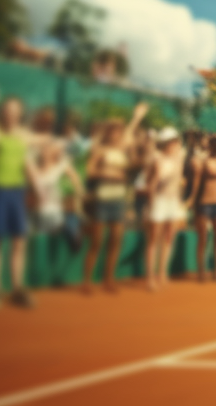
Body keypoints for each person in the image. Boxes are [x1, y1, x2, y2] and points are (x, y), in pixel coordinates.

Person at [0, 85, 38, 310]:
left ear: (20, 113)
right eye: (7, 110)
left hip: (18, 192)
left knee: (19, 242)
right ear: (2, 112)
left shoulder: (24, 135)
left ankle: (17, 289)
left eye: (15, 110)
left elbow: (39, 146)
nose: (11, 113)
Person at [81, 104, 145, 294]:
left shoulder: (124, 149)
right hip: (102, 198)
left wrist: (137, 117)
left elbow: (130, 133)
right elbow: (90, 171)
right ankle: (87, 281)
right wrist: (111, 174)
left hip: (119, 199)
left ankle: (109, 280)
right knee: (97, 241)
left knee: (116, 240)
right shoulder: (99, 150)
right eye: (113, 131)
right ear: (108, 133)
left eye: (119, 131)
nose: (117, 134)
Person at [144, 128, 187, 290]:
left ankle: (162, 273)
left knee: (169, 237)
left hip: (173, 202)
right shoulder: (157, 159)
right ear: (165, 144)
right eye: (172, 142)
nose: (175, 144)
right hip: (159, 201)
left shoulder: (179, 158)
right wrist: (151, 203)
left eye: (176, 142)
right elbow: (151, 184)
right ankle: (150, 277)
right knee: (154, 239)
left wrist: (180, 202)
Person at [188, 135, 216, 282]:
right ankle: (201, 271)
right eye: (215, 145)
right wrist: (193, 199)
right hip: (204, 202)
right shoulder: (203, 161)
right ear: (210, 146)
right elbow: (197, 181)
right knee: (203, 237)